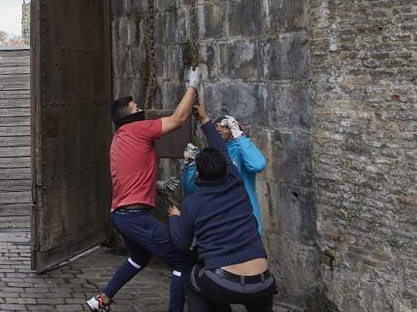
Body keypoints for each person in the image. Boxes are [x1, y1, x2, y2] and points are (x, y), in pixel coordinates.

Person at [85, 64, 206, 311]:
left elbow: (131, 174)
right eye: (136, 108)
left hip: (121, 214)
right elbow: (179, 119)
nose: (141, 110)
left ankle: (102, 300)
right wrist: (193, 84)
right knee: (182, 261)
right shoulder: (138, 129)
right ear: (128, 116)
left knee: (140, 257)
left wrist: (158, 185)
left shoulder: (119, 138)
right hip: (136, 217)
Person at [167, 105, 277, 312]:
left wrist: (174, 217)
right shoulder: (236, 183)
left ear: (200, 174)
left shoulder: (193, 203)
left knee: (193, 282)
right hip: (264, 282)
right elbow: (221, 151)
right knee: (257, 297)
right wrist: (205, 120)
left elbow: (181, 243)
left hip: (223, 281)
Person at [213, 115, 267, 234]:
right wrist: (190, 167)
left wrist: (240, 137)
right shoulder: (209, 154)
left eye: (225, 127)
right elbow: (191, 188)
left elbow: (258, 165)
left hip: (245, 221)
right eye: (216, 126)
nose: (219, 129)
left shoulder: (241, 150)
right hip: (219, 221)